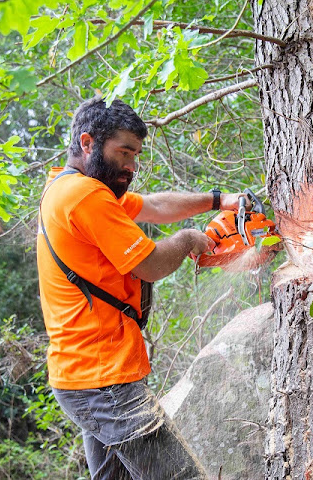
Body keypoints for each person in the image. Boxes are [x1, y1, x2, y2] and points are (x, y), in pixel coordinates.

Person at [36, 97, 245, 479]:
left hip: (86, 376)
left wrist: (219, 200)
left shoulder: (69, 188)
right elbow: (148, 265)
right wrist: (186, 241)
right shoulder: (85, 196)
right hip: (103, 381)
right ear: (87, 143)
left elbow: (153, 206)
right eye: (124, 152)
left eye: (136, 154)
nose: (131, 166)